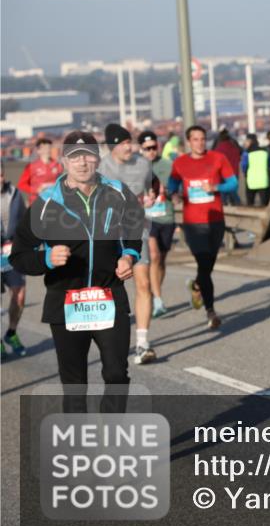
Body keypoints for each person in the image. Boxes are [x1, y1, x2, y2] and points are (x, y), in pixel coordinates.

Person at [10, 131, 144, 413]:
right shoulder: (47, 203)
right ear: (64, 161)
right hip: (66, 301)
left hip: (109, 296)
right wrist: (46, 257)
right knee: (74, 385)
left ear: (98, 159)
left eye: (87, 156)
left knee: (117, 374)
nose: (81, 162)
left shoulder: (118, 193)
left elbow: (134, 229)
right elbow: (19, 256)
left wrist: (129, 256)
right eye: (74, 157)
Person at [168, 125, 239, 329]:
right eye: (195, 139)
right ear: (188, 142)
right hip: (193, 223)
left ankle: (196, 285)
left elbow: (233, 184)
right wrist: (173, 194)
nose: (199, 143)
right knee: (203, 264)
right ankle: (211, 311)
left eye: (202, 139)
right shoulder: (180, 163)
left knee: (208, 265)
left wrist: (216, 187)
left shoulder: (217, 159)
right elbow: (172, 185)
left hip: (215, 219)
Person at [99, 124, 157, 365]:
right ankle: (110, 337)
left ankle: (142, 343)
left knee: (143, 284)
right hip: (108, 236)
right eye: (123, 143)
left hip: (137, 231)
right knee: (111, 288)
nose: (129, 147)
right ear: (112, 146)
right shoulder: (101, 168)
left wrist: (152, 195)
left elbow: (154, 182)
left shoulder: (143, 164)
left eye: (129, 142)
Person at [137, 131, 175, 319]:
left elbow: (178, 188)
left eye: (154, 147)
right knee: (153, 254)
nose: (151, 151)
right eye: (147, 149)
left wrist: (171, 191)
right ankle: (157, 299)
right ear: (140, 149)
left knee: (161, 260)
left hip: (165, 217)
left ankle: (153, 292)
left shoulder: (167, 165)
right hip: (146, 220)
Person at [1, 166, 28, 360]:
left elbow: (25, 221)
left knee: (19, 295)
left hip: (11, 252)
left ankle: (11, 333)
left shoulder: (15, 194)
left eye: (1, 174)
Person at [17, 138, 62, 205]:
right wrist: (36, 190)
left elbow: (61, 182)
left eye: (49, 148)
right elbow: (21, 184)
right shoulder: (32, 166)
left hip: (54, 201)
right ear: (38, 150)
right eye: (44, 148)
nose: (47, 150)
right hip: (37, 202)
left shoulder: (57, 165)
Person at [212, 129, 243, 206]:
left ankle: (224, 206)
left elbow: (213, 157)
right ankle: (237, 205)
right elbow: (240, 153)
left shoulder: (217, 146)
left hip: (222, 173)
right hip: (234, 171)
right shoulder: (234, 144)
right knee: (232, 190)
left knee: (222, 191)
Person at [241, 134, 270, 207]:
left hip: (251, 181)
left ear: (250, 141)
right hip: (263, 181)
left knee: (250, 204)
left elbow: (244, 166)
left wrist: (245, 173)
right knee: (265, 205)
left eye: (246, 141)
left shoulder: (246, 153)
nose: (245, 143)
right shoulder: (264, 152)